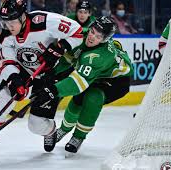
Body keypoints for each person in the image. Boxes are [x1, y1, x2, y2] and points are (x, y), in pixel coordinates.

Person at [0, 0, 83, 155]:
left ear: (23, 16)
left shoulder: (44, 22)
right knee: (5, 96)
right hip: (23, 70)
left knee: (35, 125)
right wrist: (13, 79)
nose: (9, 27)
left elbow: (77, 32)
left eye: (13, 22)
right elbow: (6, 62)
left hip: (50, 73)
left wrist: (60, 47)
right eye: (6, 23)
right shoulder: (3, 36)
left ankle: (50, 131)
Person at [31, 16, 133, 155]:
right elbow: (69, 60)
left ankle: (78, 136)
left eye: (98, 36)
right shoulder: (80, 35)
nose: (92, 37)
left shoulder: (100, 55)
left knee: (93, 98)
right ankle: (64, 129)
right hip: (96, 74)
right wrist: (52, 73)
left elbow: (78, 82)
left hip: (116, 80)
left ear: (104, 40)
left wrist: (52, 91)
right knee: (77, 101)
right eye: (92, 31)